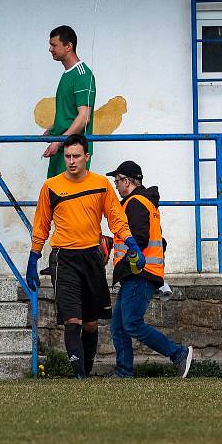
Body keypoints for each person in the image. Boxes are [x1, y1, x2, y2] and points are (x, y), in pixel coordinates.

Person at [26, 134, 142, 379]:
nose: (71, 161)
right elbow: (41, 225)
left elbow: (116, 218)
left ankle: (86, 372)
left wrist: (131, 241)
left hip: (91, 257)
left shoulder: (101, 184)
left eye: (76, 156)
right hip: (63, 259)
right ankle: (80, 377)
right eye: (67, 156)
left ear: (87, 157)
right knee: (72, 320)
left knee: (90, 323)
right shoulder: (51, 186)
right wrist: (33, 258)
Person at [106, 160, 193, 378]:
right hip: (137, 273)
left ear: (127, 181)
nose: (116, 185)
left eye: (117, 181)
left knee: (132, 324)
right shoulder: (146, 203)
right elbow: (158, 240)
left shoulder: (134, 203)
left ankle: (178, 353)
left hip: (138, 273)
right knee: (118, 326)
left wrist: (125, 265)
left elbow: (139, 239)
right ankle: (124, 372)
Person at [42, 25, 96, 178]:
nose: (50, 49)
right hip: (61, 147)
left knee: (68, 199)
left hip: (73, 151)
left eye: (54, 45)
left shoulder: (82, 75)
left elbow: (84, 117)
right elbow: (69, 111)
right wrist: (53, 129)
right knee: (54, 196)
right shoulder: (67, 74)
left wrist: (59, 141)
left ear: (68, 46)